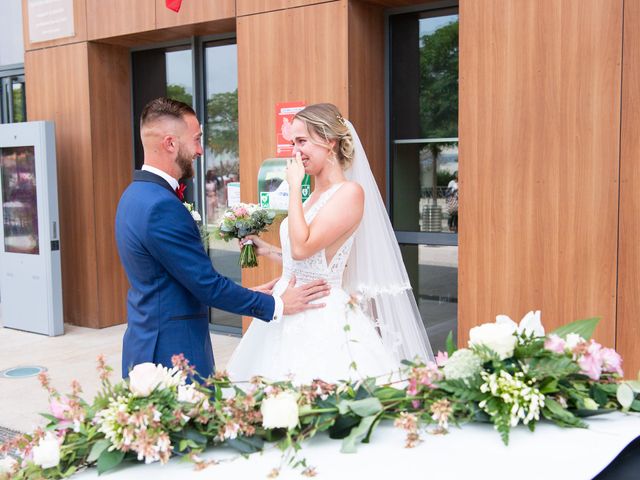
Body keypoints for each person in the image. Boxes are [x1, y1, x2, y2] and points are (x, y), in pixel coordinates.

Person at [115, 98, 330, 380]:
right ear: (170, 143)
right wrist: (277, 305)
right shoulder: (160, 206)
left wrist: (251, 294)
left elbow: (176, 281)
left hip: (147, 343)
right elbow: (205, 285)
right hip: (171, 354)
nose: (200, 150)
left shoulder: (134, 196)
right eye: (196, 140)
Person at [227, 103, 433, 384]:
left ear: (330, 142)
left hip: (319, 314)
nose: (295, 152)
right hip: (286, 308)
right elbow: (307, 260)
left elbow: (302, 248)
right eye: (292, 143)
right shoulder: (314, 196)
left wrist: (294, 188)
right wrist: (268, 250)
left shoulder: (349, 193)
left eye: (302, 141)